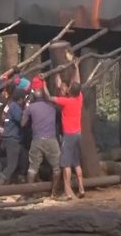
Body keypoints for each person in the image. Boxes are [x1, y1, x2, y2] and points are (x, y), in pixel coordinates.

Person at [42, 61, 85, 200]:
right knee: (76, 162)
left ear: (68, 91)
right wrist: (76, 67)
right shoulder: (79, 98)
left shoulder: (65, 101)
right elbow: (77, 82)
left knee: (65, 163)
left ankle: (67, 192)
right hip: (78, 133)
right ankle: (81, 188)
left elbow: (48, 97)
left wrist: (43, 83)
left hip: (69, 135)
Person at [21, 89, 61, 197]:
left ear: (33, 97)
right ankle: (53, 192)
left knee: (32, 168)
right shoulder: (53, 107)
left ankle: (28, 193)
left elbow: (22, 124)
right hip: (51, 139)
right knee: (57, 167)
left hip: (37, 139)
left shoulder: (30, 108)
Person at [0, 88, 28, 186]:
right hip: (12, 139)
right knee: (11, 165)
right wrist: (28, 111)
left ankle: (11, 183)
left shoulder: (13, 105)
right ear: (21, 99)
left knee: (23, 160)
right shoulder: (15, 107)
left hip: (14, 139)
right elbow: (22, 122)